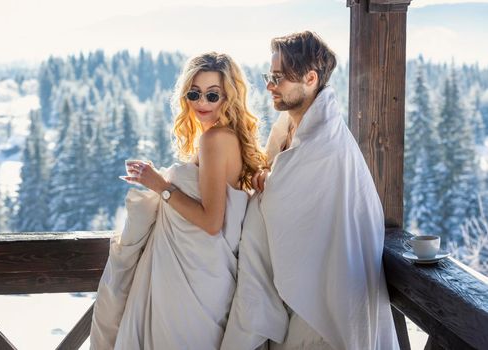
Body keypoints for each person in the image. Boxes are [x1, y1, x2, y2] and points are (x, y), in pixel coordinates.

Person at [221, 31, 400, 350]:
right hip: (300, 288)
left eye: (278, 77)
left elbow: (283, 200)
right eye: (269, 75)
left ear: (310, 78)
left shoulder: (327, 143)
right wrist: (267, 178)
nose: (269, 85)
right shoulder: (290, 127)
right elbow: (279, 182)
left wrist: (269, 183)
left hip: (326, 294)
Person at [90, 52, 267, 350]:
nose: (202, 103)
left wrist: (160, 186)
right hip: (199, 274)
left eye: (213, 95)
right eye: (194, 93)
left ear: (230, 97)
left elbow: (211, 222)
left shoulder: (213, 141)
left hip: (192, 280)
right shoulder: (229, 138)